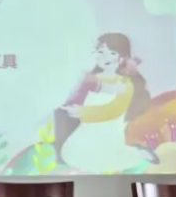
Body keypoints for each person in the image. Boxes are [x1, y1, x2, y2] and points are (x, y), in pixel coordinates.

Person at [55, 32, 152, 173]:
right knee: (70, 154)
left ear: (122, 58)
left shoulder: (125, 83)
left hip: (108, 133)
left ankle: (138, 152)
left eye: (112, 53)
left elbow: (114, 110)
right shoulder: (92, 79)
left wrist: (83, 112)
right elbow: (77, 97)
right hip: (86, 132)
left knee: (104, 162)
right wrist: (70, 106)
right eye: (101, 52)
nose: (105, 57)